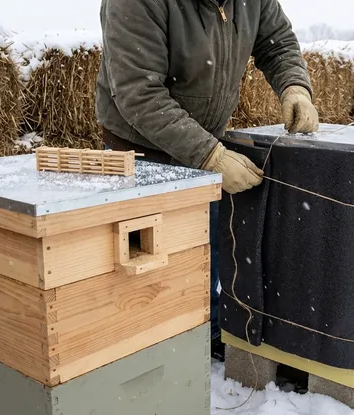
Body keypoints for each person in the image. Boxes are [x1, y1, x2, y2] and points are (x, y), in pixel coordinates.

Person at [95, 0, 319, 359]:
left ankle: (207, 329)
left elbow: (276, 40)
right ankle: (150, 352)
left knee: (205, 251)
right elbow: (139, 94)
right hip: (141, 152)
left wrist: (295, 86)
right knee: (146, 269)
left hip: (203, 139)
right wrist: (210, 156)